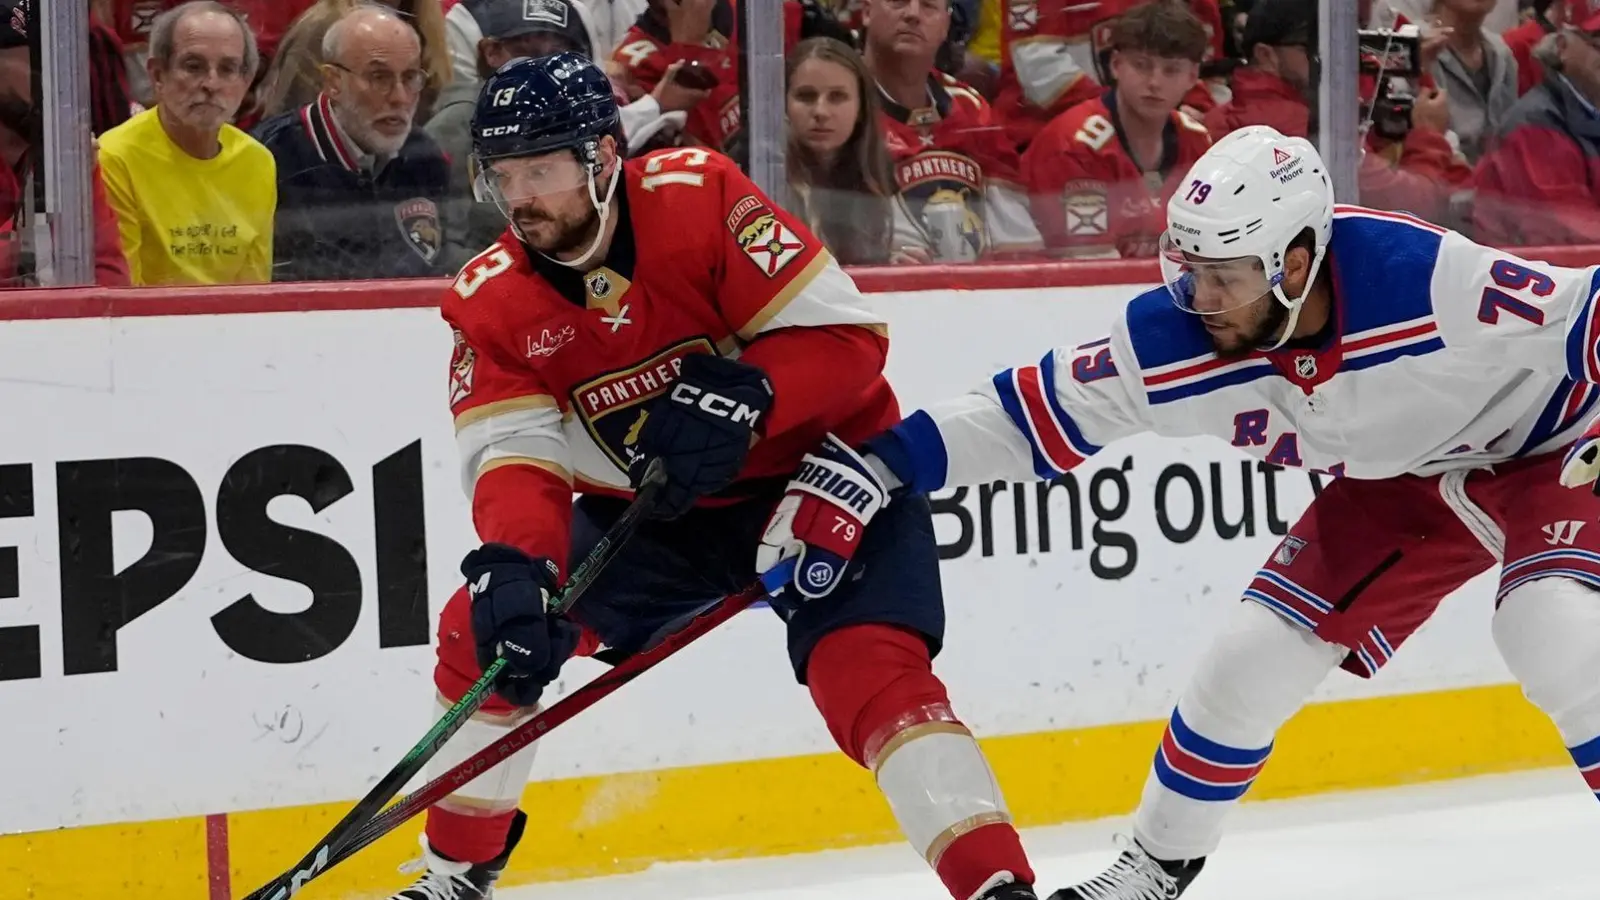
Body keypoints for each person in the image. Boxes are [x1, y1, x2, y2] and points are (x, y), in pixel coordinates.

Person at [781, 125, 1600, 900]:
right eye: (1190, 269)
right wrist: (880, 464)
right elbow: (1024, 415)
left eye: (1226, 276)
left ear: (1297, 262)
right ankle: (1151, 868)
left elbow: (1584, 311)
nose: (1201, 298)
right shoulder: (1173, 336)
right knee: (1248, 662)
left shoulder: (1424, 278)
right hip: (1402, 484)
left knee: (1546, 627)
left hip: (1557, 440)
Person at [390, 52, 1041, 900]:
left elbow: (850, 344)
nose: (520, 197)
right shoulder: (488, 300)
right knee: (486, 632)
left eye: (542, 169)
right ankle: (454, 875)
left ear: (603, 157)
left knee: (870, 672)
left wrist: (755, 392)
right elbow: (517, 460)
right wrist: (524, 567)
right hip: (662, 517)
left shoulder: (699, 197)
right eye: (504, 173)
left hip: (827, 475)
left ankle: (996, 885)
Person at [253, 3, 451, 281]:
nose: (400, 97)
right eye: (378, 77)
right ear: (333, 81)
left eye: (410, 77)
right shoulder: (272, 157)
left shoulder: (426, 157)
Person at [97, 1, 276, 285]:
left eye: (228, 69)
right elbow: (125, 298)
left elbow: (253, 292)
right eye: (193, 67)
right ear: (157, 74)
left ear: (246, 81)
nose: (211, 83)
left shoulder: (258, 160)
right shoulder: (116, 158)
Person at [1021, 1, 1213, 259]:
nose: (1155, 82)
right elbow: (1089, 270)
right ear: (1116, 65)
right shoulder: (1074, 145)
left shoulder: (1198, 142)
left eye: (1171, 70)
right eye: (1141, 65)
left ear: (1192, 76)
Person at [859, 0, 1041, 261]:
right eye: (898, 2)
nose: (912, 14)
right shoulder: (837, 100)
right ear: (866, 11)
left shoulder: (970, 107)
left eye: (928, 6)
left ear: (945, 25)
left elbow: (1016, 239)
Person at [784, 36, 930, 265]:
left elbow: (906, 243)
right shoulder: (757, 169)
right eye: (806, 96)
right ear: (783, 104)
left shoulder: (877, 168)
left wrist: (898, 259)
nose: (821, 111)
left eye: (837, 97)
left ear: (861, 108)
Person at [1471, 0, 1600, 246]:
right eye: (1599, 40)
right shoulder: (1535, 128)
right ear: (1562, 47)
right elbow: (1575, 240)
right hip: (1543, 277)